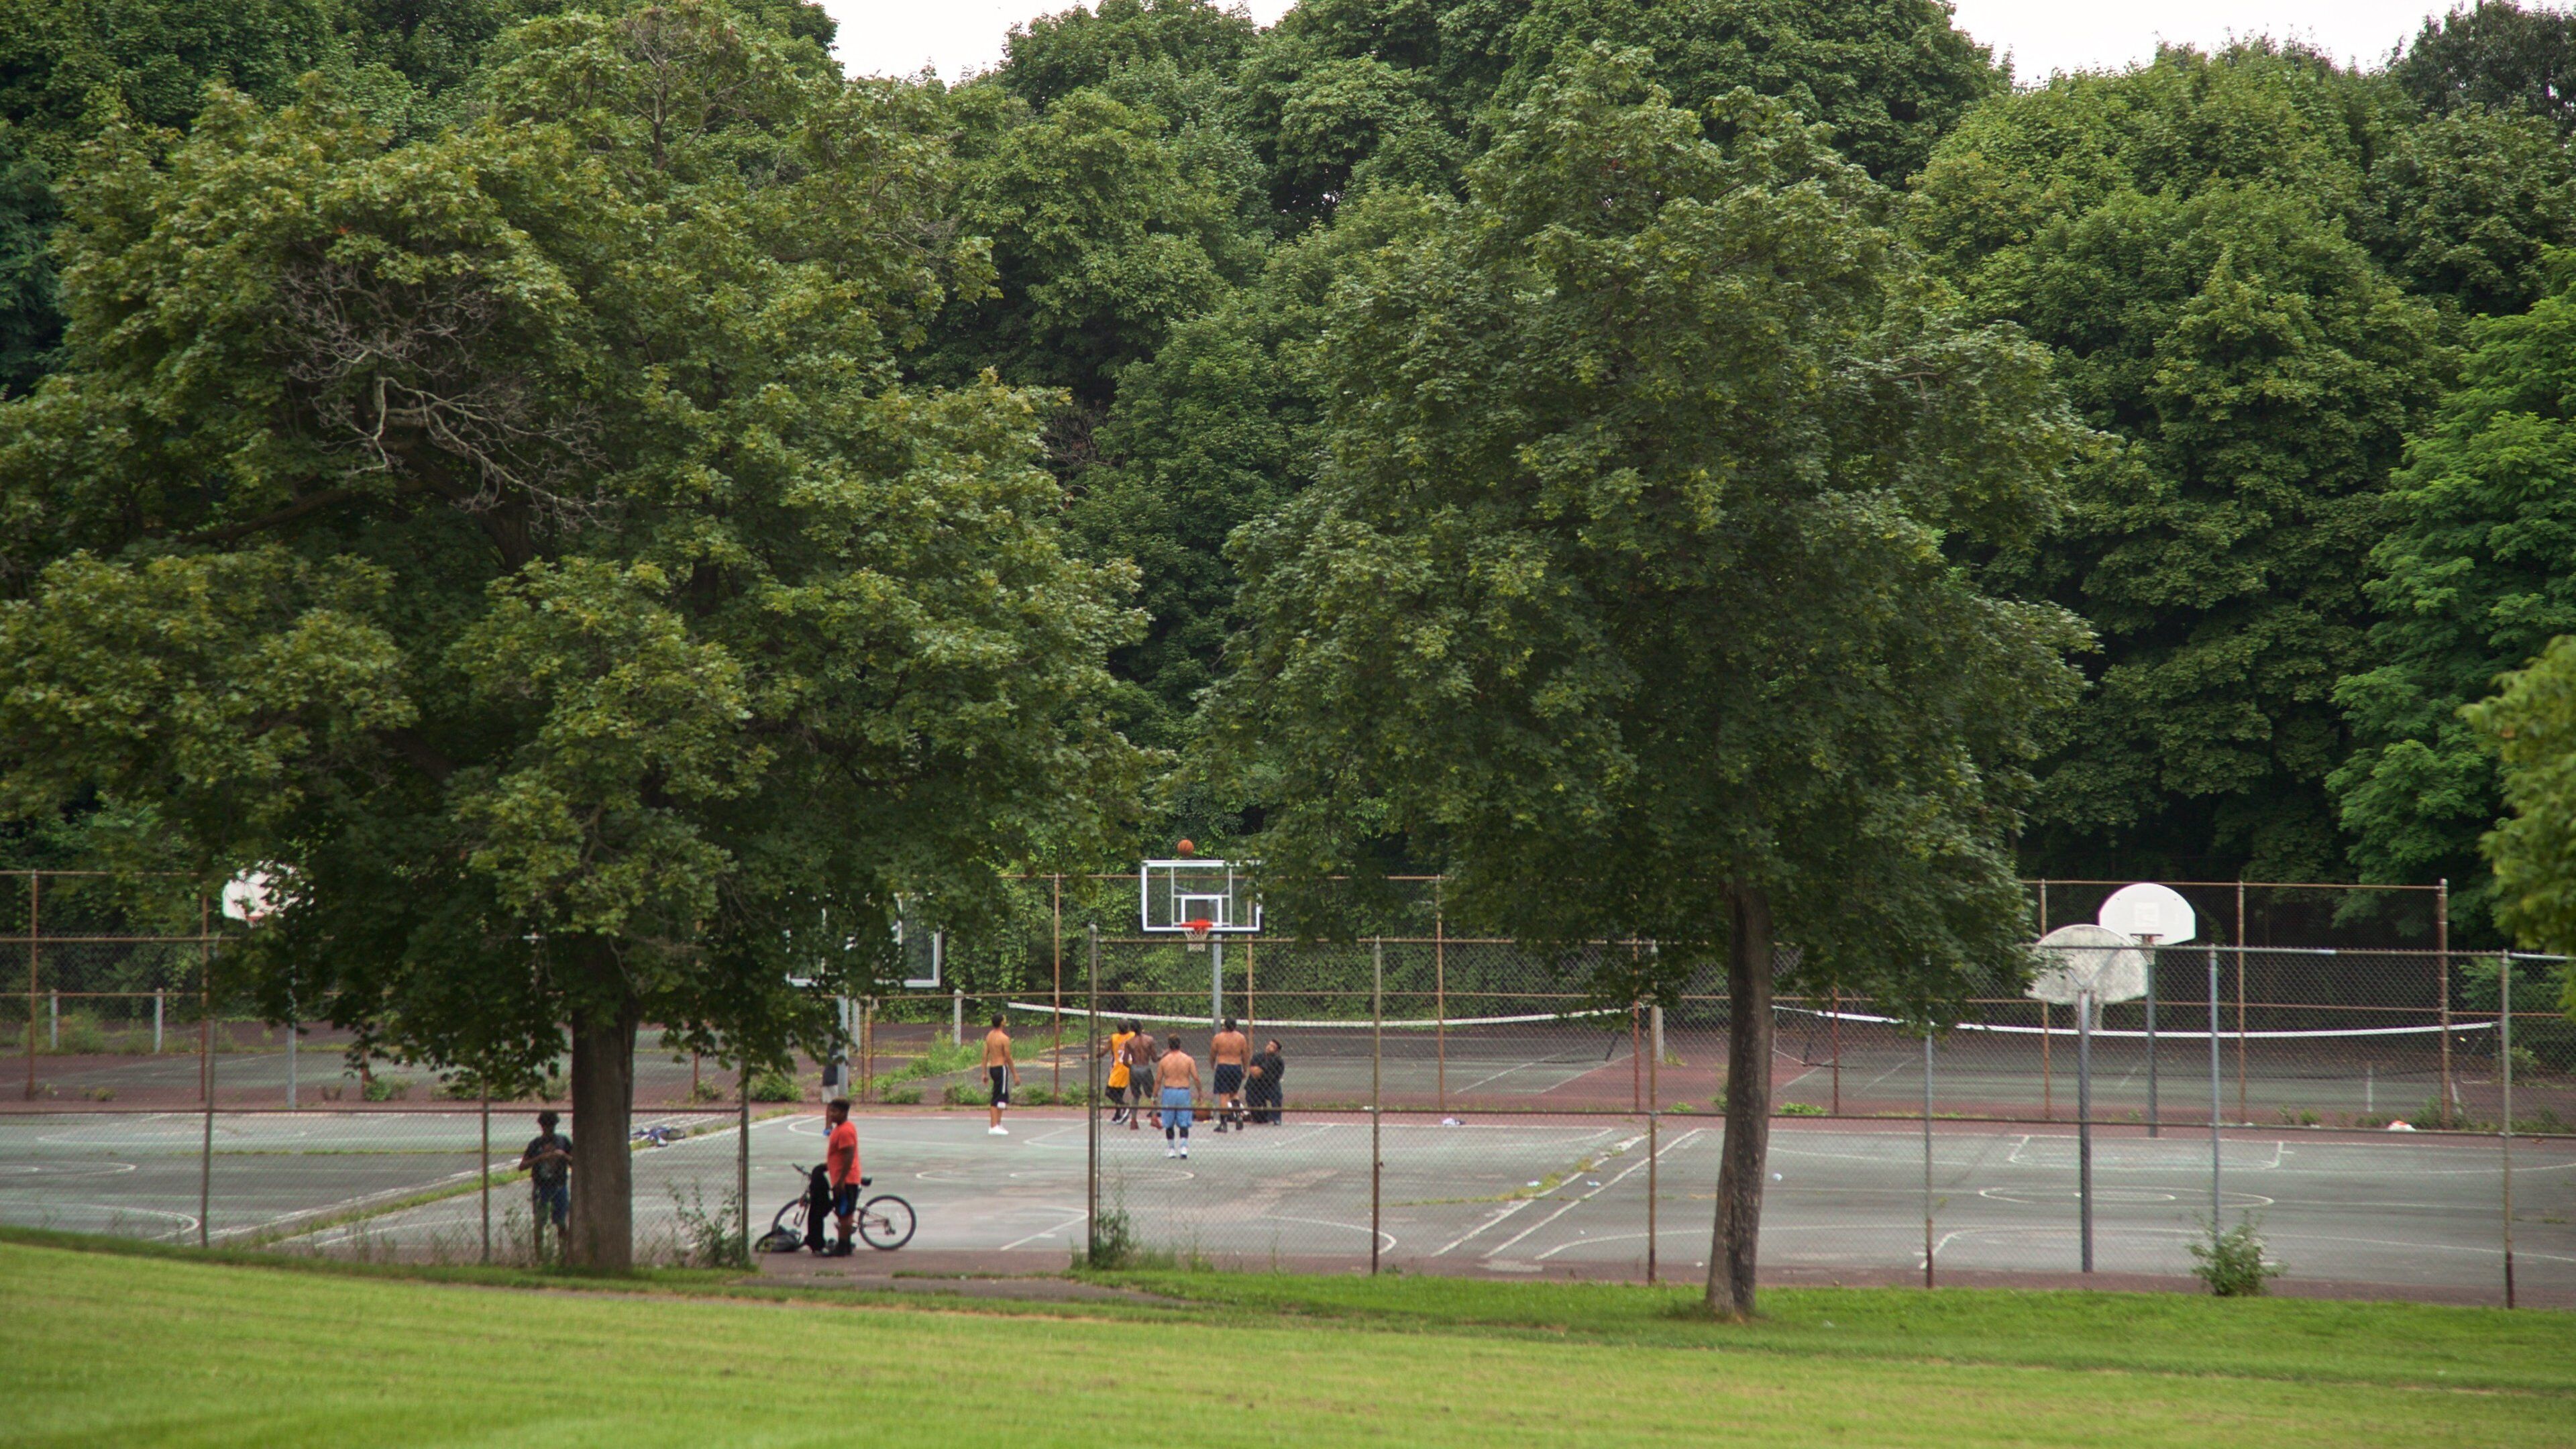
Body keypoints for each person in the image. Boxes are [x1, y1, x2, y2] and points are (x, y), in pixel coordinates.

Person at [518, 1110, 572, 1252]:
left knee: (561, 1223)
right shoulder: (536, 1144)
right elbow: (522, 1166)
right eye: (546, 1126)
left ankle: (563, 1253)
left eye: (551, 1126)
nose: (549, 1129)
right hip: (541, 1187)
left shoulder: (563, 1141)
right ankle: (540, 1256)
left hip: (559, 1186)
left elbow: (574, 1162)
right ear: (541, 1126)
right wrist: (540, 1158)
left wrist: (564, 1156)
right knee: (539, 1223)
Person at [823, 1096, 860, 1255]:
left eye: (835, 1112)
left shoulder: (845, 1131)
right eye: (830, 1111)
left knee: (845, 1214)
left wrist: (841, 1181)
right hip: (840, 1177)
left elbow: (849, 1156)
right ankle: (845, 1245)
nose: (831, 1114)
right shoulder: (840, 1128)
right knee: (842, 1213)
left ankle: (843, 1246)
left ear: (844, 1113)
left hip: (846, 1179)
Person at [1155, 1034, 1200, 1159]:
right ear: (1180, 1045)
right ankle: (1184, 1148)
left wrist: (1154, 1095)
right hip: (1183, 1091)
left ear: (1169, 1046)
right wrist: (1200, 1093)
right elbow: (1196, 1078)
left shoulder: (1164, 1061)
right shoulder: (1188, 1060)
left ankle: (1171, 1149)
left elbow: (1158, 1080)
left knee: (1168, 1122)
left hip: (1169, 1091)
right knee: (1184, 1121)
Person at [1210, 1017, 1250, 1132]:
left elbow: (1213, 1053)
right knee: (1234, 1093)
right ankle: (1238, 1116)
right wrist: (1245, 1069)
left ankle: (1224, 1123)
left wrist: (1212, 1064)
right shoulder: (1241, 1038)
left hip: (1223, 1066)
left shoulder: (1218, 1038)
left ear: (1225, 1026)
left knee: (1224, 1095)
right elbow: (1245, 1055)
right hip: (1236, 1066)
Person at [983, 1014, 1018, 1136]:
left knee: (1002, 1096)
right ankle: (993, 1126)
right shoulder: (1004, 1038)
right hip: (1001, 1068)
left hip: (993, 1068)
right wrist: (1015, 1074)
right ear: (1002, 1022)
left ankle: (998, 1123)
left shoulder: (989, 1036)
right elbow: (1008, 1057)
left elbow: (985, 1055)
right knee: (997, 1097)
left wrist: (984, 1073)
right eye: (1004, 1019)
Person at [1100, 1019, 1137, 1124]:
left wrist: (1093, 1055)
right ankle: (1117, 1115)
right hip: (1130, 1067)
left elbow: (1103, 1052)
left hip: (1118, 1068)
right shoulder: (1133, 1036)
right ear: (1128, 1028)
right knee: (1119, 1093)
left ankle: (1125, 1107)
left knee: (1109, 1092)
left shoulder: (1114, 1038)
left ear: (1118, 1029)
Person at [1125, 1026, 1161, 1131]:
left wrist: (1133, 1067)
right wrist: (1164, 1054)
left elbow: (1125, 1061)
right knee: (1153, 1094)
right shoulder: (1149, 1040)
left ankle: (1133, 1120)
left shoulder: (1130, 1042)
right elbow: (1155, 1059)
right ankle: (1154, 1118)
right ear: (1141, 1028)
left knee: (1135, 1095)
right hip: (1145, 1068)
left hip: (1134, 1069)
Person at [1246, 1039, 1285, 1125]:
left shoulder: (1278, 1061)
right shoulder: (1258, 1057)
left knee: (1277, 1094)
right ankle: (1262, 1116)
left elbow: (1276, 1077)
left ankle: (1276, 1118)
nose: (1269, 1047)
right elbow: (1254, 1072)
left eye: (1272, 1047)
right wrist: (1262, 1069)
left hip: (1270, 1086)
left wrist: (1261, 1070)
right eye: (1269, 1045)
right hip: (1256, 1085)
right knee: (1259, 1119)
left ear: (1277, 1051)